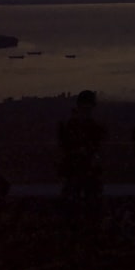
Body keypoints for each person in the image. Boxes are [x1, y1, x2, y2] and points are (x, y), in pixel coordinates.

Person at [57, 89, 106, 219]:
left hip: (76, 173)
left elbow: (64, 148)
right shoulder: (95, 127)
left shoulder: (69, 125)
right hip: (84, 173)